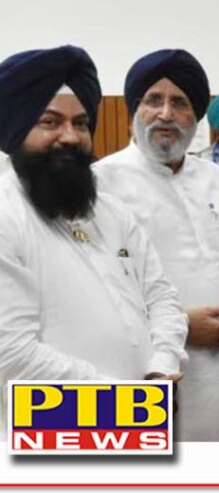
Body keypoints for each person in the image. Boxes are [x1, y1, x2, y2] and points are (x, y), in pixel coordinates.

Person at [0, 45, 187, 387]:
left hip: (136, 417)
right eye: (50, 122)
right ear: (16, 131)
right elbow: (9, 353)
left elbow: (162, 297)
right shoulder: (6, 216)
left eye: (81, 123)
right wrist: (125, 398)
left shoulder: (111, 212)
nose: (70, 136)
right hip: (48, 427)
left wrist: (161, 365)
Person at [93, 49, 219, 441]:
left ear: (196, 116)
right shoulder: (100, 183)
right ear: (134, 110)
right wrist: (181, 325)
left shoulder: (217, 178)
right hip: (153, 375)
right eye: (153, 100)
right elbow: (94, 293)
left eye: (179, 103)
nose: (165, 114)